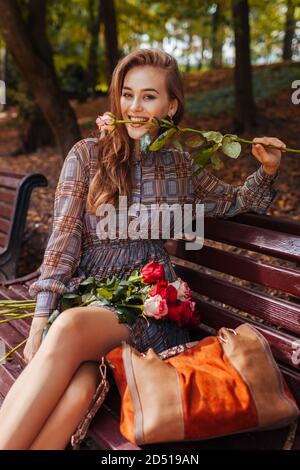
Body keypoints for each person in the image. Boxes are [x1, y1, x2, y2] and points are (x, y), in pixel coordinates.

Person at [0, 48, 285, 450]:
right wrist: (37, 324)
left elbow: (234, 201)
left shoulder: (178, 165)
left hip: (148, 303)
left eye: (148, 96)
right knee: (79, 388)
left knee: (66, 330)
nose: (134, 107)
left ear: (171, 105)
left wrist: (268, 170)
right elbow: (62, 245)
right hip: (87, 302)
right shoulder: (86, 156)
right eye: (127, 94)